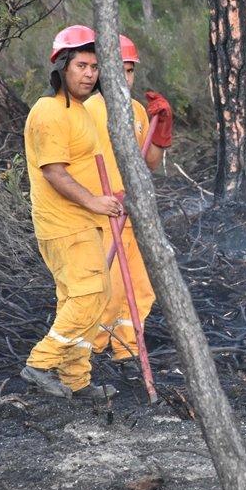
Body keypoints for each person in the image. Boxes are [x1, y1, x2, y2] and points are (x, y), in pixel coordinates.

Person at [21, 25, 122, 400]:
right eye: (81, 65)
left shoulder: (79, 111)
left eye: (94, 67)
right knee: (88, 294)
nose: (89, 73)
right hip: (64, 224)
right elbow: (53, 171)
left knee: (88, 298)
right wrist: (94, 202)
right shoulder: (49, 111)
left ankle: (75, 381)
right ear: (62, 66)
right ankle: (40, 363)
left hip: (84, 223)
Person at [82, 34, 173, 362]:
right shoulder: (89, 110)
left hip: (134, 215)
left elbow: (149, 162)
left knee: (140, 288)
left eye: (130, 71)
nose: (126, 78)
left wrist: (161, 131)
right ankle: (88, 354)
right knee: (111, 289)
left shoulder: (136, 110)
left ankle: (126, 353)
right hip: (102, 218)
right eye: (118, 70)